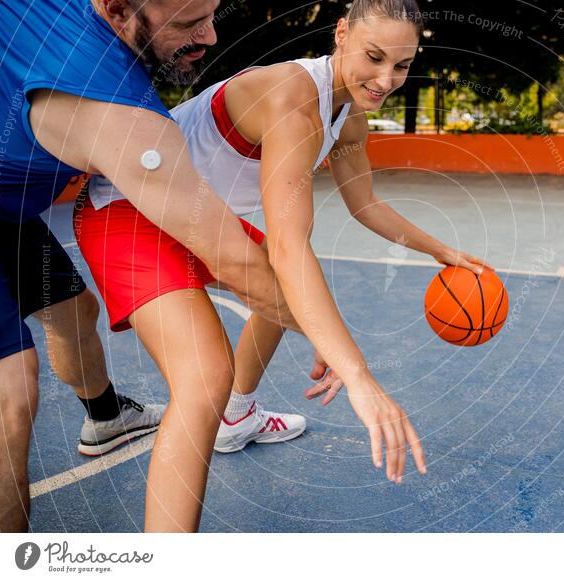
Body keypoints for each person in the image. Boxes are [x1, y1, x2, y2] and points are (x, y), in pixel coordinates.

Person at [80, 0, 490, 510]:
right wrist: (359, 375)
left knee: (291, 279)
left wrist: (442, 251)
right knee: (205, 378)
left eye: (401, 65)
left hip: (203, 221)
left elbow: (365, 204)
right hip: (130, 210)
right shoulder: (296, 97)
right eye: (375, 56)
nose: (386, 79)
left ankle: (240, 414)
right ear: (341, 34)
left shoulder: (350, 116)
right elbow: (291, 245)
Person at [0, 0, 304, 532]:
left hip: (10, 208)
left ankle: (106, 416)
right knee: (11, 393)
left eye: (212, 13)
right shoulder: (115, 110)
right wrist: (344, 356)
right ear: (116, 11)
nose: (208, 35)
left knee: (74, 313)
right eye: (187, 24)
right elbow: (232, 259)